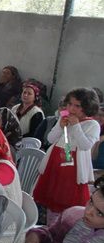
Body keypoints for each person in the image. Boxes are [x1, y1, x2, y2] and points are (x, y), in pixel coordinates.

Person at [34, 88, 100, 223]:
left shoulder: (92, 124)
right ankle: (49, 230)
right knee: (51, 200)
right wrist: (60, 126)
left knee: (66, 203)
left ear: (87, 107)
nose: (72, 108)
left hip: (72, 167)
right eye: (70, 104)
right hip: (55, 161)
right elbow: (51, 139)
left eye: (77, 106)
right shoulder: (63, 118)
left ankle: (63, 229)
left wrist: (75, 126)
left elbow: (85, 145)